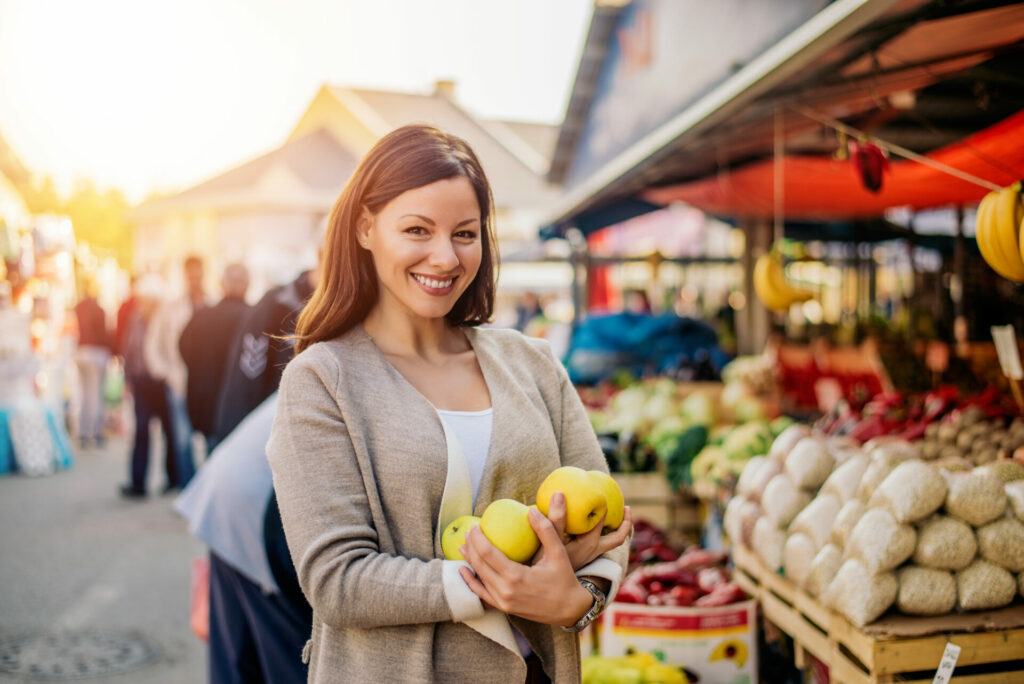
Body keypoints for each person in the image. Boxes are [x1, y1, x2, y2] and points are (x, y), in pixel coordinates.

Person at [266, 125, 631, 683]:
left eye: (465, 233)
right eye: (417, 229)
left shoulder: (532, 364)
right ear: (366, 227)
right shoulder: (323, 380)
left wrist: (576, 601)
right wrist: (507, 585)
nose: (444, 256)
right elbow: (337, 580)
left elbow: (607, 526)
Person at [145, 255, 208, 489]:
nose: (194, 279)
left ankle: (205, 486)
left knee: (208, 436)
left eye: (198, 273)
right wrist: (165, 374)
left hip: (206, 384)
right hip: (179, 380)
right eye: (190, 274)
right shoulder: (171, 308)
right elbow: (153, 344)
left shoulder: (210, 304)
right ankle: (188, 487)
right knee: (183, 438)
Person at [179, 263, 251, 453]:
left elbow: (183, 347)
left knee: (212, 458)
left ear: (221, 284)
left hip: (207, 402)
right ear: (247, 285)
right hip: (242, 408)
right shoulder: (254, 318)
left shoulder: (202, 317)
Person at [120, 275, 178, 498]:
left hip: (161, 382)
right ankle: (138, 482)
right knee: (141, 431)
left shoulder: (165, 319)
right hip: (142, 382)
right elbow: (129, 350)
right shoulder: (135, 319)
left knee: (168, 432)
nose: (145, 305)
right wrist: (128, 379)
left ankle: (173, 479)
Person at [73, 283, 112, 448]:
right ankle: (95, 433)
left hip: (81, 352)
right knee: (95, 395)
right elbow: (103, 333)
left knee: (85, 394)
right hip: (95, 352)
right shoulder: (98, 310)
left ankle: (83, 432)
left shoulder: (78, 308)